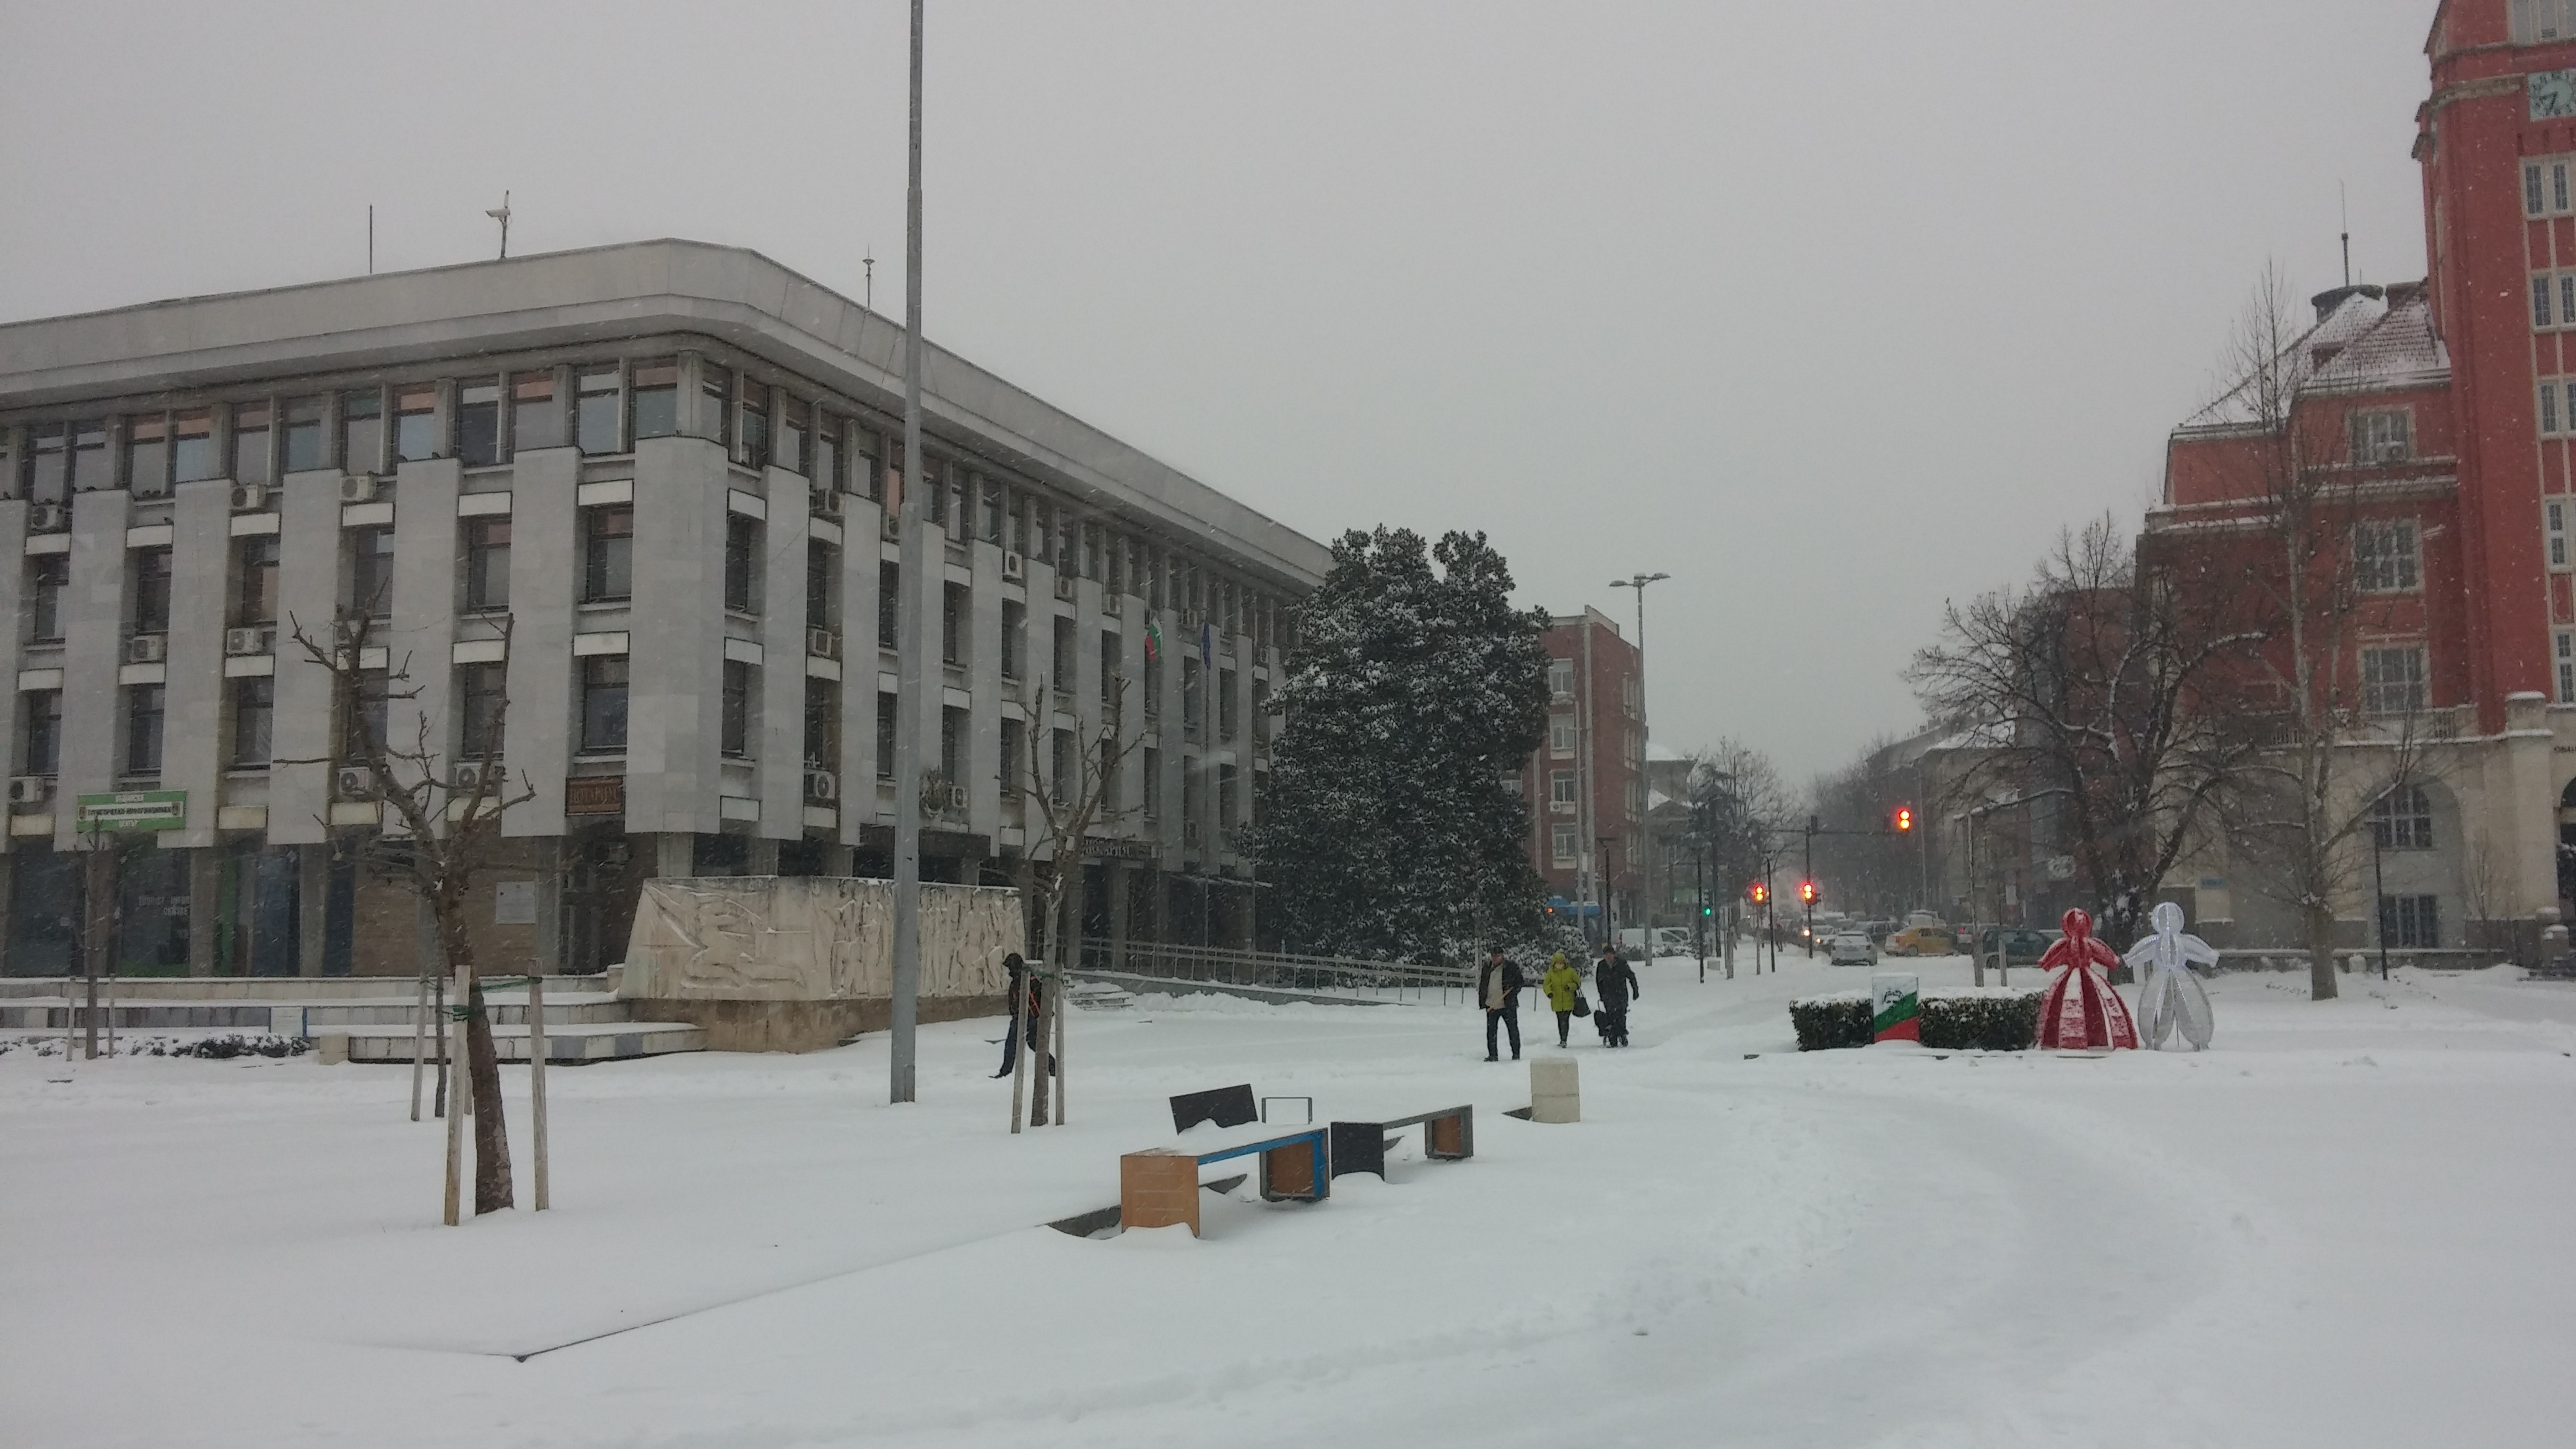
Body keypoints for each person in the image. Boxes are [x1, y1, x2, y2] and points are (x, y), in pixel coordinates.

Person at [992, 952, 1045, 1077]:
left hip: (1027, 1016)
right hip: (1024, 1016)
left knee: (1012, 1043)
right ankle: (1052, 1066)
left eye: (1010, 967)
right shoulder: (1020, 979)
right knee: (1033, 1043)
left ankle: (1005, 1072)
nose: (1009, 970)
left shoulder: (1026, 979)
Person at [1478, 947, 1524, 1061]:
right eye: (1493, 956)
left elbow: (1520, 982)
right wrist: (1483, 999)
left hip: (1507, 1005)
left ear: (1502, 956)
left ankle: (1516, 1055)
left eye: (1497, 956)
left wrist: (1512, 992)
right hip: (1491, 1004)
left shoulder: (1511, 967)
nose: (1494, 958)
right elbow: (1484, 984)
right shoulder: (1487, 967)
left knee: (1512, 1030)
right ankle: (1493, 1055)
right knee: (1491, 1031)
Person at [1594, 942, 1639, 1047]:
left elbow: (1631, 976)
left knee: (1621, 1016)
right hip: (1608, 996)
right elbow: (1598, 981)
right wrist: (1602, 994)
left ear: (1614, 955)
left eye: (1610, 954)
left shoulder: (1622, 963)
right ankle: (1612, 1037)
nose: (1608, 957)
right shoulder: (1601, 965)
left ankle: (1622, 1034)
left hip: (1621, 994)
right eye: (1606, 955)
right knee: (1611, 1016)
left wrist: (1635, 990)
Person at [1540, 952, 1583, 1046]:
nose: (1560, 965)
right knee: (1560, 1020)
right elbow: (1546, 985)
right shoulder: (1551, 973)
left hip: (1569, 1000)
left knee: (1565, 1020)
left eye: (1561, 963)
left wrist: (1570, 987)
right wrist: (1549, 993)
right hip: (1557, 1001)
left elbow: (1578, 983)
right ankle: (1562, 1038)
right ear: (1554, 963)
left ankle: (1564, 1039)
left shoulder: (1571, 971)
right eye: (1558, 963)